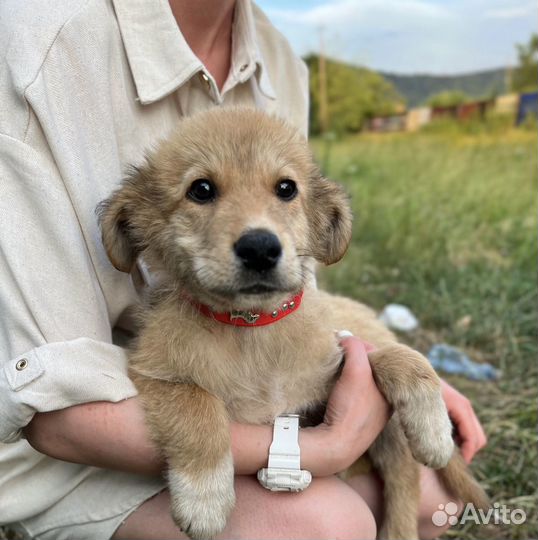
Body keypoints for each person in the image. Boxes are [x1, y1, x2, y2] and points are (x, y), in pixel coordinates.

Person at [0, 1, 487, 539]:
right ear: (134, 222)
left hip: (262, 394)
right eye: (202, 191)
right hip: (79, 442)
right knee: (328, 525)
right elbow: (54, 411)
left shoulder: (278, 58)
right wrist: (325, 448)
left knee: (435, 498)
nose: (258, 233)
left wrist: (390, 370)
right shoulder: (36, 41)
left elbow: (297, 300)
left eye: (283, 191)